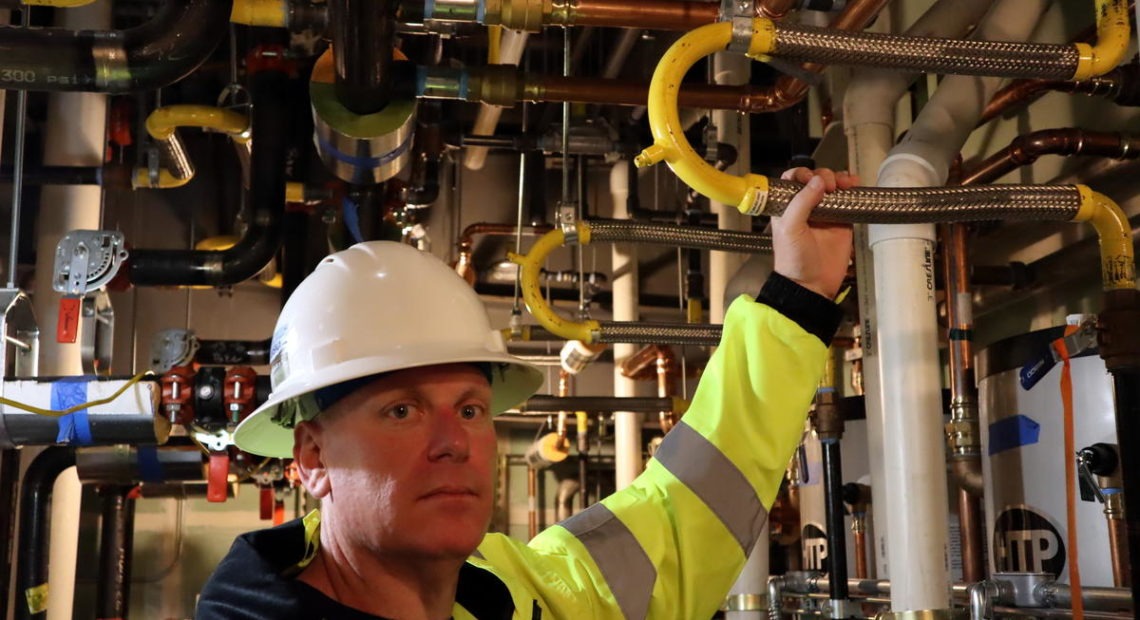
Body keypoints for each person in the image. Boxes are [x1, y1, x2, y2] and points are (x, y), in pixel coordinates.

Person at [196, 167, 858, 620]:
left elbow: (689, 513)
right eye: (402, 411)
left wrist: (799, 296)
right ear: (311, 459)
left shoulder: (512, 592)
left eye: (471, 409)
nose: (455, 443)